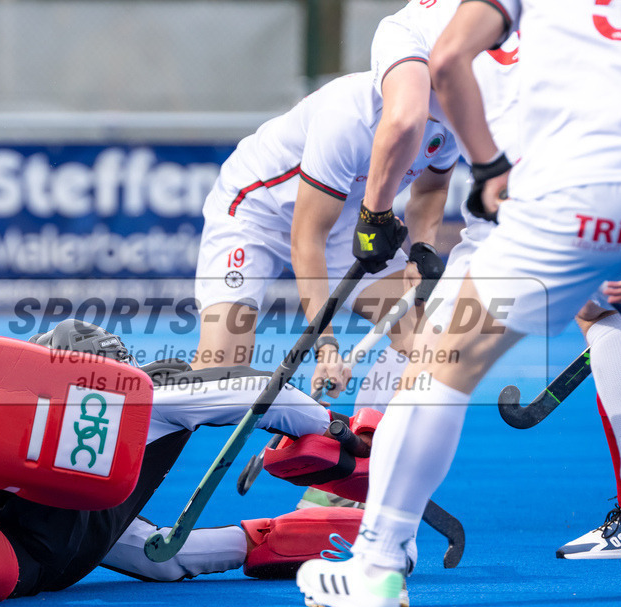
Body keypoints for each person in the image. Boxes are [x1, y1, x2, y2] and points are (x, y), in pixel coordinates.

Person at [296, 0, 621, 607]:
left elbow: (445, 63)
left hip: (567, 190)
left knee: (441, 362)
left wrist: (490, 167)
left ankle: (378, 566)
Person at [0, 317, 377, 605]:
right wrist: (252, 542)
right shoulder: (127, 395)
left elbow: (257, 392)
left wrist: (328, 430)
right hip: (44, 542)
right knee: (135, 541)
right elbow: (156, 558)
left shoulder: (150, 396)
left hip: (23, 546)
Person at [192, 13, 460, 405]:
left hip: (342, 221)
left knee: (425, 342)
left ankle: (372, 448)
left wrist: (422, 249)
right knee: (221, 371)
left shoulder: (448, 123)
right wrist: (327, 348)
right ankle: (143, 429)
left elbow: (431, 190)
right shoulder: (347, 120)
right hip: (255, 213)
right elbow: (305, 240)